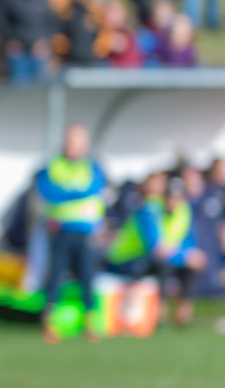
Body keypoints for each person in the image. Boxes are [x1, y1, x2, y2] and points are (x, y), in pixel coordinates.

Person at [35, 124, 107, 343]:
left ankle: (91, 324)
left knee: (88, 279)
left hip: (86, 232)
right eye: (70, 139)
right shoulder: (52, 166)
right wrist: (80, 192)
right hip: (61, 230)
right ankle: (50, 323)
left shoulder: (93, 166)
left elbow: (97, 189)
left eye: (78, 139)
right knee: (55, 278)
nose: (73, 144)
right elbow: (50, 194)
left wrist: (69, 192)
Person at [107, 172, 207, 327]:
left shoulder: (184, 211)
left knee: (191, 265)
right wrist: (184, 255)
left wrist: (188, 256)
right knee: (165, 264)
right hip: (126, 258)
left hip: (154, 258)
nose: (173, 201)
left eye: (177, 197)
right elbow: (156, 248)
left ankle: (183, 308)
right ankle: (160, 308)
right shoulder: (150, 209)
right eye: (170, 196)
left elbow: (188, 242)